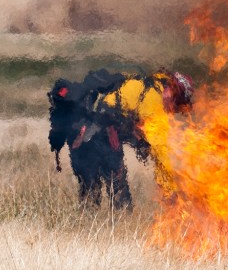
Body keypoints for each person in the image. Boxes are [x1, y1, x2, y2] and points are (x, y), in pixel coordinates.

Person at [47, 68, 193, 210]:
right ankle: (112, 219)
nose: (174, 107)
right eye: (176, 101)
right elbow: (160, 151)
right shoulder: (154, 101)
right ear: (170, 90)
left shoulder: (148, 84)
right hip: (100, 130)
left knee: (90, 183)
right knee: (116, 182)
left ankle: (88, 218)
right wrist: (170, 192)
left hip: (87, 129)